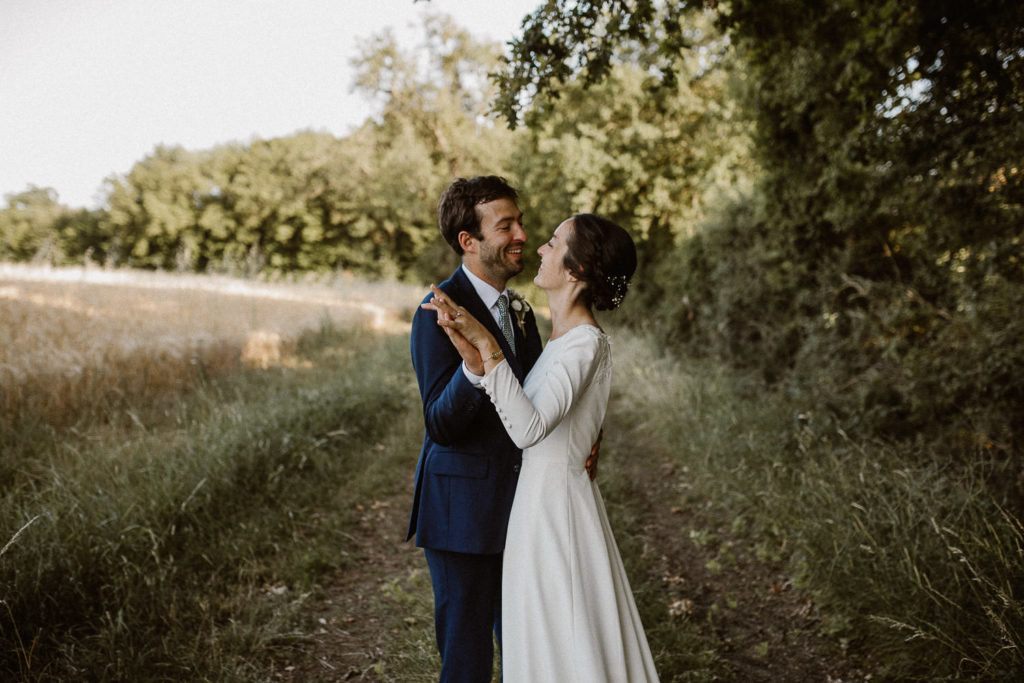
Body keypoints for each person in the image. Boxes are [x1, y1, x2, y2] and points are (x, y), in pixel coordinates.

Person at [424, 213, 660, 682]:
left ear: (574, 272)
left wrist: (486, 345)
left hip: (556, 508)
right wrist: (474, 356)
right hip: (534, 501)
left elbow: (528, 429)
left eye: (553, 243)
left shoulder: (584, 344)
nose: (538, 249)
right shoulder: (558, 340)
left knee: (562, 630)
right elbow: (553, 410)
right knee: (539, 628)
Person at [407, 175, 544, 683]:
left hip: (522, 505)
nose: (521, 235)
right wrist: (474, 367)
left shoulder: (522, 312)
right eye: (505, 225)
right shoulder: (437, 310)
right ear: (469, 241)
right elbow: (440, 423)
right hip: (461, 512)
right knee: (466, 661)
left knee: (526, 647)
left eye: (520, 222)